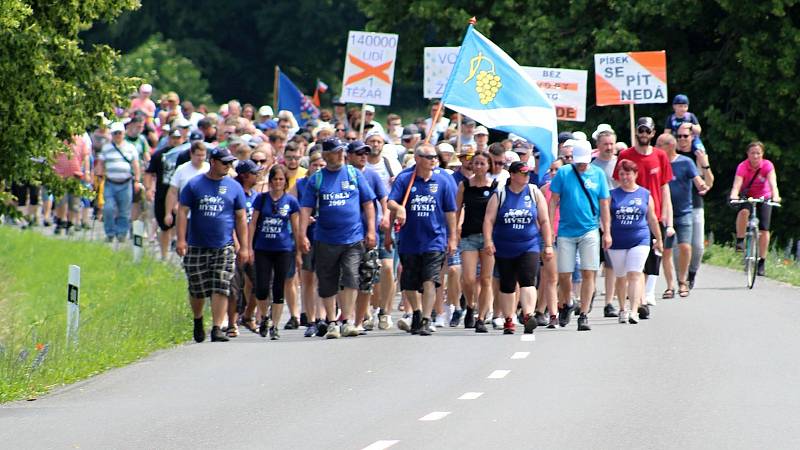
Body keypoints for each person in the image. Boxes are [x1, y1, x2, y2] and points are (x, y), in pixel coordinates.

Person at [298, 138, 376, 339]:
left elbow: (368, 203)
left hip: (353, 237)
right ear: (325, 155)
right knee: (327, 281)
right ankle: (332, 321)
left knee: (351, 276)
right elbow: (305, 208)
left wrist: (371, 231)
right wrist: (301, 234)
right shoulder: (317, 179)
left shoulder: (353, 173)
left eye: (341, 151)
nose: (340, 154)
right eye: (335, 152)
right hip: (325, 238)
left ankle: (347, 320)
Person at [176, 147, 249, 343]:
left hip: (223, 245)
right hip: (197, 244)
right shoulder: (194, 185)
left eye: (230, 163)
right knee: (197, 288)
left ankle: (217, 327)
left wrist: (245, 246)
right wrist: (181, 239)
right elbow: (182, 211)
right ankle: (198, 319)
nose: (228, 166)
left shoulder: (234, 187)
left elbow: (241, 217)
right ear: (213, 162)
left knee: (221, 285)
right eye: (224, 162)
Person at [388, 143, 458, 336]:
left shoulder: (442, 180)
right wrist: (399, 208)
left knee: (430, 279)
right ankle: (417, 312)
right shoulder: (405, 179)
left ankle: (427, 318)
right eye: (429, 157)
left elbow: (450, 211)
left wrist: (452, 237)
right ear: (418, 159)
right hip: (409, 239)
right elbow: (390, 201)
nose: (434, 159)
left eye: (435, 156)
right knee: (409, 282)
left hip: (434, 239)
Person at [484, 161, 553, 334]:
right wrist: (488, 241)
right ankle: (509, 319)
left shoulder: (533, 192)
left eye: (527, 173)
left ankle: (528, 315)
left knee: (528, 280)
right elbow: (488, 220)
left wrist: (548, 245)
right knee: (507, 284)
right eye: (522, 173)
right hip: (504, 247)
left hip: (529, 245)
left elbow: (544, 220)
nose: (526, 176)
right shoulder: (500, 194)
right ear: (512, 175)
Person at [549, 140, 611, 331]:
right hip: (566, 230)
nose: (582, 165)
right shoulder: (564, 173)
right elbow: (553, 201)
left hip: (590, 229)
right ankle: (568, 302)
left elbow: (604, 203)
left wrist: (607, 231)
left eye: (585, 161)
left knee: (588, 272)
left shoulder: (598, 174)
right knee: (565, 274)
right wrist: (551, 227)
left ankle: (583, 314)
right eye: (579, 161)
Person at [614, 117, 673, 310]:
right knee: (633, 262)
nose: (644, 135)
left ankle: (648, 293)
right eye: (641, 131)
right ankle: (637, 299)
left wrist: (665, 213)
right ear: (636, 132)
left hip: (654, 213)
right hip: (631, 213)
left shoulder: (660, 156)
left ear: (653, 133)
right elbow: (617, 184)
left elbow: (665, 187)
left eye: (648, 131)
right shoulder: (626, 155)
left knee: (654, 255)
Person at [247, 165, 300, 340]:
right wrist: (248, 246)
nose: (278, 182)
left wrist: (299, 250)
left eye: (281, 179)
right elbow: (253, 223)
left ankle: (275, 326)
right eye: (275, 179)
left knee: (279, 287)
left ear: (285, 181)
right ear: (270, 181)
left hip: (283, 249)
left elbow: (296, 227)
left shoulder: (291, 202)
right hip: (263, 248)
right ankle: (264, 317)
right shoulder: (262, 200)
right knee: (261, 288)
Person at [607, 159, 663, 324]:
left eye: (628, 173)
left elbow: (652, 218)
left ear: (635, 174)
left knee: (635, 274)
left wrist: (658, 239)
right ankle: (622, 308)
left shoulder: (645, 194)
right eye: (622, 174)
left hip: (640, 238)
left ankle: (634, 310)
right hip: (617, 241)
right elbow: (606, 219)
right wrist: (606, 235)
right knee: (620, 275)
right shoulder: (612, 195)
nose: (625, 177)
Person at [657, 133, 710, 298]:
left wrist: (702, 185)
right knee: (665, 251)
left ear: (669, 146)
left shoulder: (685, 162)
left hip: (684, 212)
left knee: (686, 246)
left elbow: (697, 180)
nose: (656, 148)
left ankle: (683, 281)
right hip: (665, 213)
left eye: (659, 145)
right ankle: (670, 286)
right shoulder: (657, 163)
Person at [347, 140, 389, 333]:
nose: (363, 156)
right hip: (347, 233)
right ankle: (356, 315)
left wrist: (386, 216)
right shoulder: (344, 174)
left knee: (370, 275)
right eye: (358, 153)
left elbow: (382, 198)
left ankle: (373, 312)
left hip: (370, 231)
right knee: (349, 277)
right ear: (349, 156)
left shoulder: (372, 175)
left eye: (366, 153)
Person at [455, 151, 497, 333]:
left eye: (482, 163)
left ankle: (481, 316)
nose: (479, 167)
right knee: (469, 278)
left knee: (486, 279)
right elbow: (456, 209)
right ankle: (470, 304)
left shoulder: (495, 186)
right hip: (469, 236)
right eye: (476, 163)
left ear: (489, 165)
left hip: (489, 238)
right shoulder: (464, 185)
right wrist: (454, 231)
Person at [729, 141, 781, 276]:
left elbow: (773, 184)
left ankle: (762, 261)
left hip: (764, 197)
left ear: (762, 154)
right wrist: (734, 196)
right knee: (744, 211)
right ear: (748, 154)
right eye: (753, 153)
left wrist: (775, 197)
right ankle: (740, 240)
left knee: (764, 229)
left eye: (758, 153)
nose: (756, 156)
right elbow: (736, 185)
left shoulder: (768, 166)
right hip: (748, 196)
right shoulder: (743, 166)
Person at [291, 151, 327, 337]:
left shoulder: (329, 182)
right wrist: (302, 221)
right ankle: (310, 319)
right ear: (309, 166)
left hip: (326, 236)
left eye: (322, 165)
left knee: (323, 279)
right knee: (307, 279)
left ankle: (323, 318)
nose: (319, 169)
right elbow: (291, 208)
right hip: (307, 236)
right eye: (315, 165)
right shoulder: (300, 184)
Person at [674, 123, 714, 288]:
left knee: (697, 246)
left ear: (692, 137)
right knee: (678, 247)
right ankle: (680, 279)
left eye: (685, 136)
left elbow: (709, 183)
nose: (682, 139)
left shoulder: (699, 154)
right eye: (679, 136)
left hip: (695, 204)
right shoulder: (672, 155)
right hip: (676, 206)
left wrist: (704, 164)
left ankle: (692, 272)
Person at [590, 126, 620, 318]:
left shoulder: (621, 164)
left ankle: (609, 301)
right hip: (594, 218)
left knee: (611, 264)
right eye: (605, 144)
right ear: (598, 146)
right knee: (592, 263)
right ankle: (589, 294)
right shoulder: (591, 166)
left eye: (611, 143)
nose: (609, 147)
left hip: (614, 218)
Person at [97, 122, 142, 243]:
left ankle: (122, 233)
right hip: (110, 182)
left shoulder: (130, 148)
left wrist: (137, 180)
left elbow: (136, 164)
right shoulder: (106, 147)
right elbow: (101, 163)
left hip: (126, 182)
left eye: (119, 133)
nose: (117, 135)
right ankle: (110, 232)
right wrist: (98, 175)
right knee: (108, 208)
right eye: (115, 133)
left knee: (124, 210)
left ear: (123, 134)